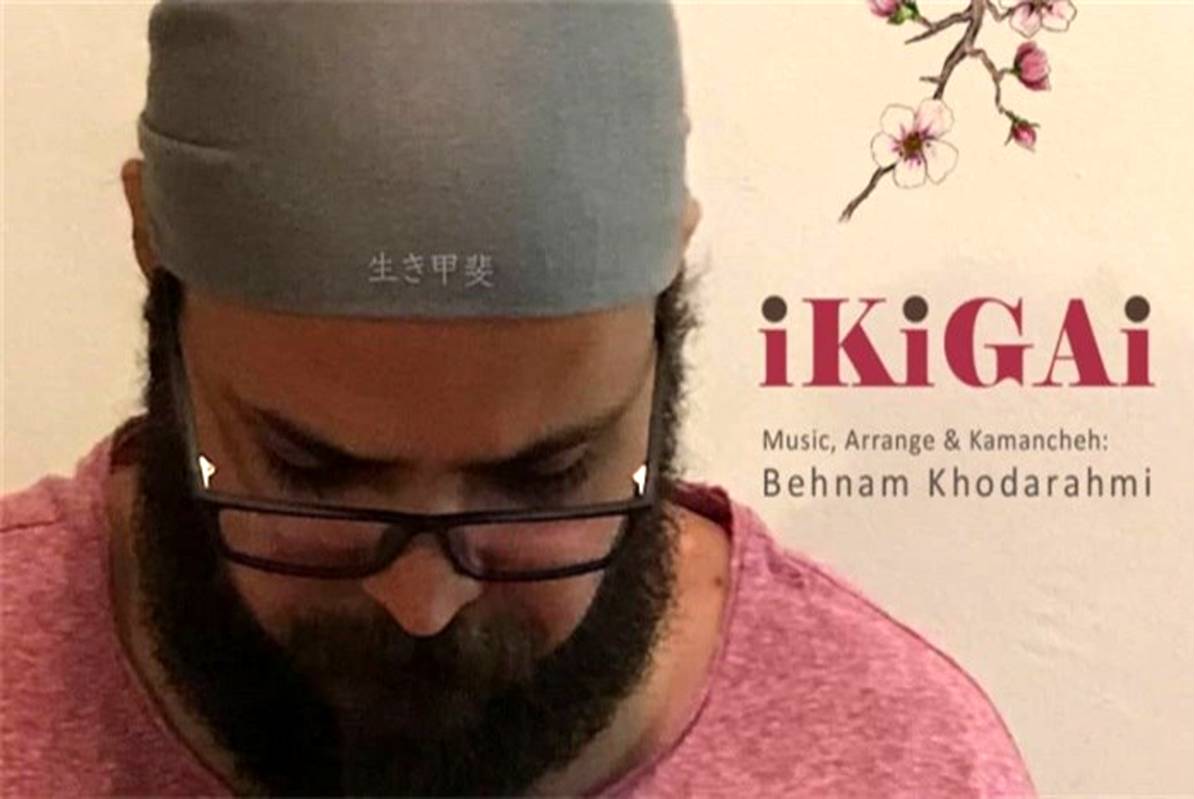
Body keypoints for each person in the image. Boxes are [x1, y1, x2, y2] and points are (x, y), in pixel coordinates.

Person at [1, 1, 1037, 796]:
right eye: (310, 474)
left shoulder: (904, 765)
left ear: (668, 305)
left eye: (545, 479)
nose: (424, 604)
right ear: (151, 255)